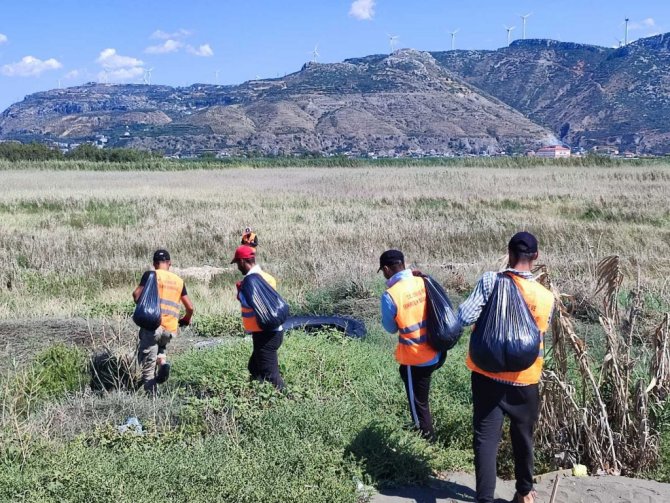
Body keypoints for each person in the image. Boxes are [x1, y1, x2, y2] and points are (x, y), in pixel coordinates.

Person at [457, 232, 554, 503]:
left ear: (508, 253)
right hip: (525, 379)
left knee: (486, 440)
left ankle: (485, 499)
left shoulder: (491, 281)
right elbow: (540, 333)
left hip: (487, 375)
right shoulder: (546, 297)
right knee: (523, 437)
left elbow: (465, 316)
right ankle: (524, 493)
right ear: (536, 256)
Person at [379, 249, 444, 441]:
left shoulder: (391, 295)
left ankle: (426, 442)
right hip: (437, 351)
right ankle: (426, 433)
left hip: (415, 358)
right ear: (403, 264)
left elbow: (390, 328)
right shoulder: (422, 280)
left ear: (386, 269)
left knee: (418, 406)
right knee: (422, 398)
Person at [132, 249, 194, 394]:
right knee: (160, 349)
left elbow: (136, 295)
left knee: (148, 366)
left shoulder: (151, 275)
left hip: (153, 325)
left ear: (155, 264)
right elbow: (190, 307)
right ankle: (162, 363)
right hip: (170, 329)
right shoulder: (179, 281)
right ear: (169, 263)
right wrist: (186, 319)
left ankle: (151, 398)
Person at [232, 245, 284, 390]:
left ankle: (287, 399)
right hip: (273, 330)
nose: (238, 267)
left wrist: (241, 292)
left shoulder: (249, 281)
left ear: (242, 261)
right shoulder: (268, 277)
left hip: (265, 334)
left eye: (237, 263)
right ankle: (257, 394)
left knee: (271, 376)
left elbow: (249, 303)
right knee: (254, 367)